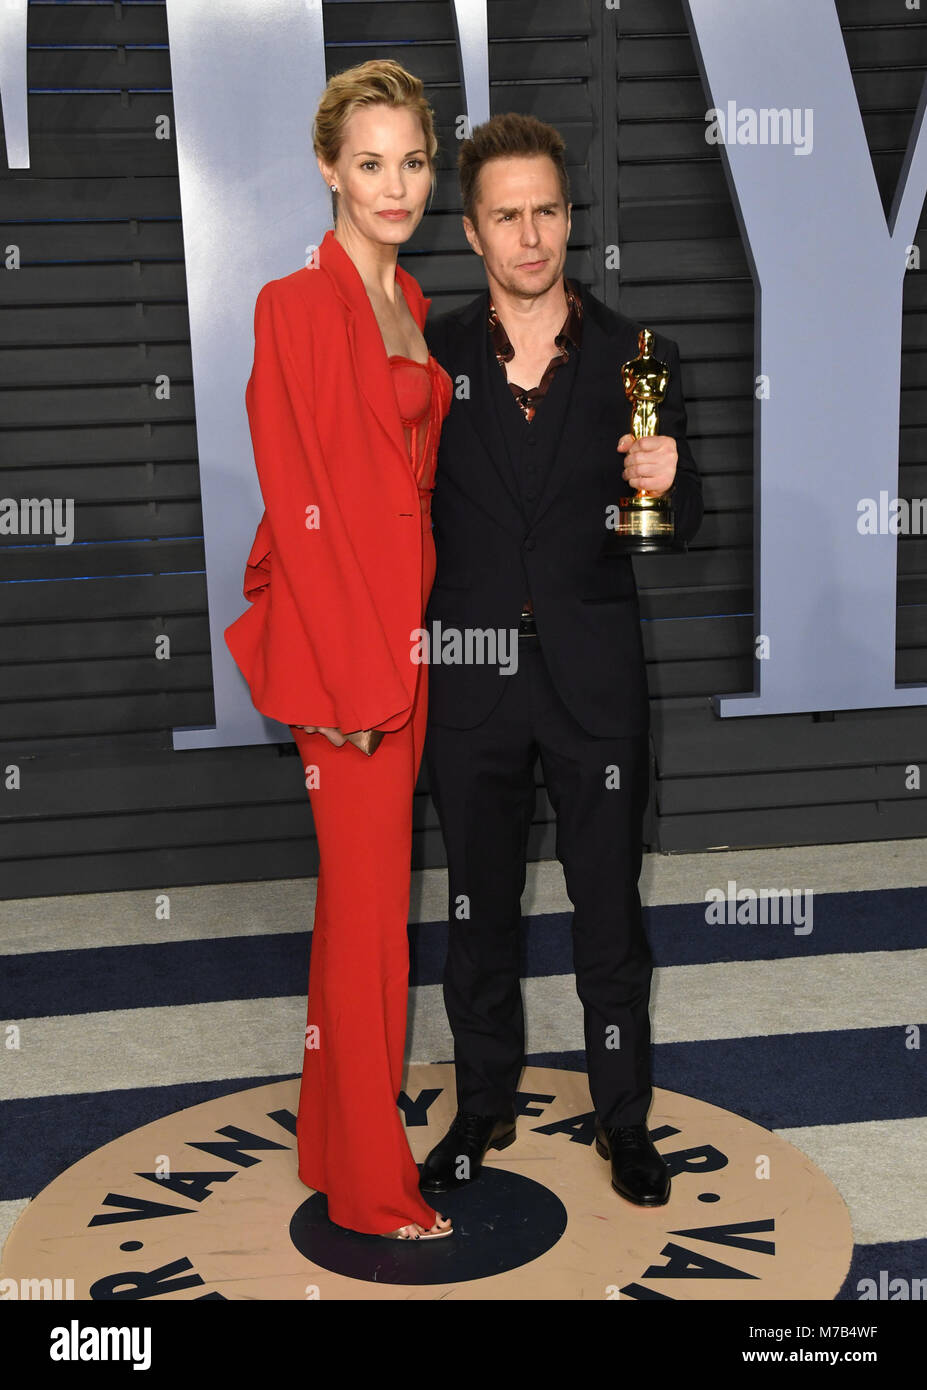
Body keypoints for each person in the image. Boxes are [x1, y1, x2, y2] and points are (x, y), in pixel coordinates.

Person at [418, 113, 703, 1207]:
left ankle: (623, 1118)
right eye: (506, 216)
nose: (529, 235)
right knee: (477, 911)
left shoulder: (644, 359)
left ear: (570, 220)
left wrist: (671, 483)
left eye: (546, 211)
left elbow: (685, 525)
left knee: (608, 913)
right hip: (470, 675)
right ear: (473, 231)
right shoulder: (430, 355)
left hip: (595, 683)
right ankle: (481, 1103)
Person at [224, 60, 453, 1240]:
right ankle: (371, 1186)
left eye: (412, 160)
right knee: (371, 925)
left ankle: (326, 1136)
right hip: (345, 652)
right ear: (329, 168)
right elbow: (296, 496)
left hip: (406, 635)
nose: (396, 183)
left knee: (360, 907)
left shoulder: (408, 299)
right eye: (371, 163)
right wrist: (354, 677)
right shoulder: (293, 304)